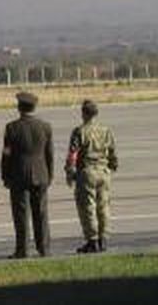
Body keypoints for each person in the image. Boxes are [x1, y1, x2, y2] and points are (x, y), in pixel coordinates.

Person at [2, 91, 54, 258]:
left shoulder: (12, 128)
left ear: (19, 107)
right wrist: (50, 175)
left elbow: (7, 155)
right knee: (41, 213)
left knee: (21, 215)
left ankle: (22, 249)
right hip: (41, 174)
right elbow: (50, 154)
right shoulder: (45, 127)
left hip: (19, 175)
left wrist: (5, 175)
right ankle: (44, 248)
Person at [66, 99, 118, 254]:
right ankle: (103, 239)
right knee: (103, 207)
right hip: (103, 172)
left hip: (87, 173)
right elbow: (112, 152)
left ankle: (92, 240)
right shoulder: (106, 130)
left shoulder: (79, 131)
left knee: (87, 207)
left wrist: (70, 172)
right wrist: (111, 168)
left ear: (84, 113)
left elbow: (73, 155)